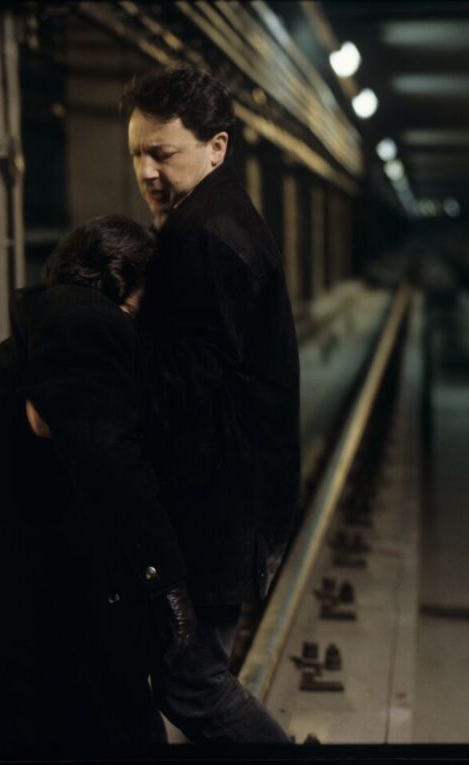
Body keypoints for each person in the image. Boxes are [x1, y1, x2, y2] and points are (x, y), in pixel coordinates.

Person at [0, 215, 197, 746]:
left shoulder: (36, 331)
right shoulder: (86, 324)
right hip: (34, 638)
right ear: (119, 280)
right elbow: (110, 462)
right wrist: (166, 584)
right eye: (148, 297)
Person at [121, 65, 300, 743]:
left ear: (216, 147)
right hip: (235, 489)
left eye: (161, 153)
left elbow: (179, 387)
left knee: (192, 680)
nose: (145, 170)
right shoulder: (212, 215)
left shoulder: (205, 237)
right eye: (136, 151)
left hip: (224, 501)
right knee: (186, 667)